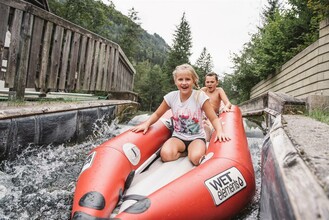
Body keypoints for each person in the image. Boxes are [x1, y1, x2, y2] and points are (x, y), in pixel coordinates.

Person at [131, 64, 230, 166]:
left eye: (187, 79)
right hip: (178, 137)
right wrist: (146, 124)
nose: (184, 83)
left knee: (196, 158)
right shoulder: (171, 97)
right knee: (165, 155)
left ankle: (194, 149)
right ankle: (184, 153)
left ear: (194, 80)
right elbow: (157, 114)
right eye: (180, 79)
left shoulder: (200, 96)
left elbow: (213, 118)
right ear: (175, 81)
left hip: (196, 137)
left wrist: (220, 131)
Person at [201, 72, 232, 141]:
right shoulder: (203, 90)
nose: (209, 84)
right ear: (205, 83)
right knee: (203, 122)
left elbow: (228, 103)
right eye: (207, 82)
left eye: (212, 82)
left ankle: (209, 133)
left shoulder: (219, 91)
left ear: (217, 83)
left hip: (214, 116)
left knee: (211, 125)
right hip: (204, 115)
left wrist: (226, 107)